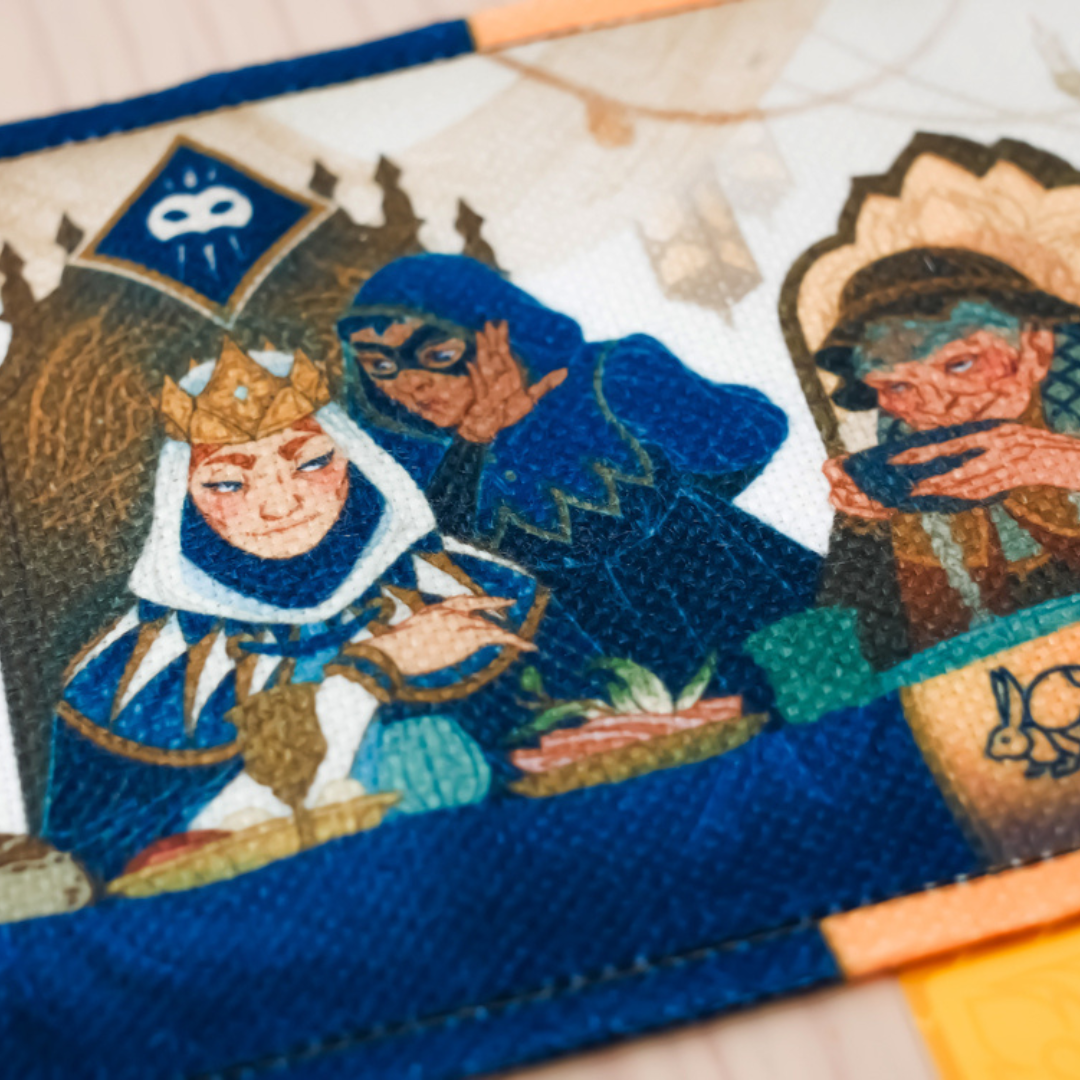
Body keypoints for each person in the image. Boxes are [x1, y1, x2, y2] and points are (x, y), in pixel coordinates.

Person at [41, 340, 552, 881]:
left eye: (311, 462)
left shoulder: (483, 589)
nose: (280, 504)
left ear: (354, 458)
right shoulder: (124, 678)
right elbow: (103, 872)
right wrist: (368, 672)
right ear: (182, 499)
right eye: (227, 483)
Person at [337, 255, 820, 706]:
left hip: (732, 586)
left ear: (502, 330)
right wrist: (474, 440)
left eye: (438, 353)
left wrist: (670, 504)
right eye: (380, 366)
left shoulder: (610, 374)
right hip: (595, 645)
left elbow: (753, 433)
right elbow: (440, 538)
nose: (411, 383)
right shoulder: (421, 458)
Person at [815, 247, 1080, 664]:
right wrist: (864, 526)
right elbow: (846, 648)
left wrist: (1065, 462)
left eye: (960, 364)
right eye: (898, 387)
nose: (936, 407)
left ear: (1036, 348)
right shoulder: (903, 472)